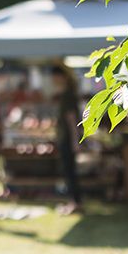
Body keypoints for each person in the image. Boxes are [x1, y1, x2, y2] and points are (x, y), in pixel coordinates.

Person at [51, 65, 83, 215]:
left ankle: (76, 202)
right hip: (66, 138)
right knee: (68, 171)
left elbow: (71, 119)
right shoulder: (65, 94)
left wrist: (75, 141)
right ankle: (74, 201)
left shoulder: (68, 95)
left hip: (68, 139)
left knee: (70, 172)